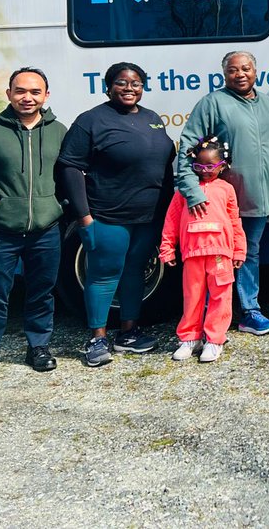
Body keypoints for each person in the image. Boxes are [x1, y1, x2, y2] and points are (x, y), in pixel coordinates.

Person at [57, 62, 174, 367]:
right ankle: (97, 338)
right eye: (122, 83)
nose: (129, 89)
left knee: (134, 271)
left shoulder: (152, 119)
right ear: (108, 87)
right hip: (109, 216)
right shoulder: (91, 120)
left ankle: (129, 333)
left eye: (135, 84)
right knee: (103, 275)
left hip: (149, 217)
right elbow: (70, 167)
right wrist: (84, 218)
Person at [0, 67, 67, 384]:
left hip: (45, 231)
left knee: (41, 294)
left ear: (46, 95)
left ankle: (39, 348)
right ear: (8, 94)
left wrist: (59, 208)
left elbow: (70, 175)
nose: (27, 97)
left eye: (35, 91)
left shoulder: (59, 131)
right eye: (20, 91)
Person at [175, 51, 269, 337]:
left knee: (249, 253)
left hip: (260, 199)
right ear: (224, 74)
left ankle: (249, 312)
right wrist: (193, 192)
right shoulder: (212, 104)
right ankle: (210, 316)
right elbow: (187, 147)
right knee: (214, 259)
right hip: (220, 203)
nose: (240, 74)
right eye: (233, 70)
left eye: (246, 68)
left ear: (256, 71)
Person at [160, 137, 247, 363]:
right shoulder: (184, 191)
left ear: (222, 165)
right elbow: (171, 220)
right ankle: (190, 338)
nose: (206, 171)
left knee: (221, 297)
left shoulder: (226, 189)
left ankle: (215, 340)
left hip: (220, 255)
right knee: (192, 298)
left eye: (211, 167)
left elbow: (234, 220)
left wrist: (239, 250)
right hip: (193, 254)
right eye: (199, 167)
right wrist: (167, 248)